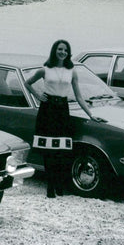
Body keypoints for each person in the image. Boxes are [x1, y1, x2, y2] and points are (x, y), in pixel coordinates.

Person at [24, 39, 105, 198]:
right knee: (48, 151)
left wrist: (91, 114)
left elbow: (79, 96)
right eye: (60, 49)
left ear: (68, 53)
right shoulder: (45, 69)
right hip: (47, 110)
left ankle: (59, 185)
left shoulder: (72, 71)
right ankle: (50, 187)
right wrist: (38, 96)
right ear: (55, 50)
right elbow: (28, 83)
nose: (63, 52)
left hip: (62, 110)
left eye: (66, 50)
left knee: (61, 151)